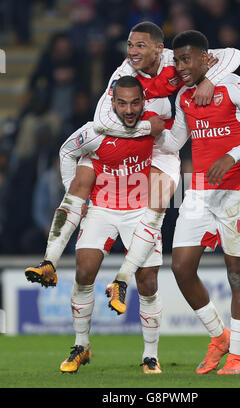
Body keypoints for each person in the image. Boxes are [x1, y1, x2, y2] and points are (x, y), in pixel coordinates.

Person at [25, 22, 240, 312]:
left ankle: (122, 280)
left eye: (140, 45)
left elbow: (234, 55)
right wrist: (144, 126)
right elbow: (102, 119)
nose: (132, 51)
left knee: (156, 203)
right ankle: (49, 261)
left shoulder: (176, 61)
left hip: (160, 149)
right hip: (127, 142)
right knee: (80, 182)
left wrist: (209, 80)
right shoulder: (124, 74)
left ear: (158, 48)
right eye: (129, 45)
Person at [155, 30, 240, 375]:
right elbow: (176, 140)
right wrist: (151, 129)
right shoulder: (184, 97)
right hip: (199, 192)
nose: (181, 66)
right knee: (180, 267)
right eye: (177, 60)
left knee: (237, 276)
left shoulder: (236, 85)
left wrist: (232, 155)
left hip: (238, 190)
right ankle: (218, 336)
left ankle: (237, 358)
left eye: (187, 59)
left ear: (207, 58)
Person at [56, 76, 165, 374]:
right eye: (122, 103)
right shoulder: (95, 130)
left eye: (134, 103)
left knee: (147, 280)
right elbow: (66, 151)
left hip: (141, 209)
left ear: (143, 102)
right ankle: (81, 346)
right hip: (102, 207)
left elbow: (173, 147)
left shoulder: (157, 126)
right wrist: (73, 190)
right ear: (112, 102)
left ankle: (150, 355)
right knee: (83, 271)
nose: (129, 110)